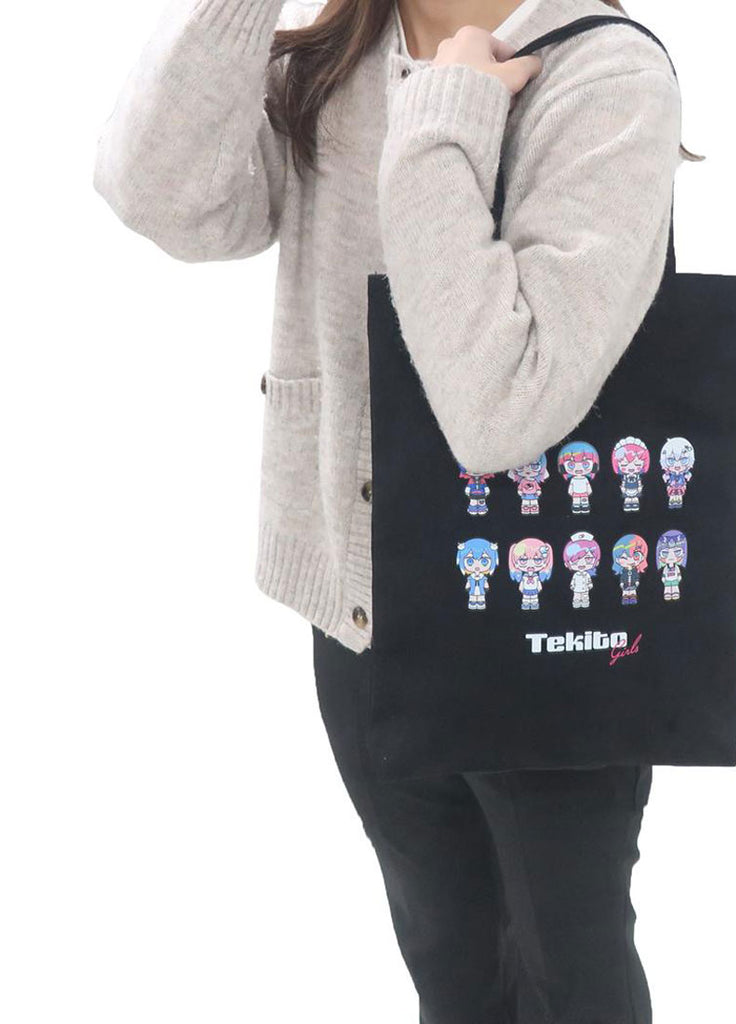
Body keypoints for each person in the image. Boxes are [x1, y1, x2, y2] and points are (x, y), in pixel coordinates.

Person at [94, 0, 687, 1020]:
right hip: (363, 611)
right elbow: (161, 197)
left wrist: (446, 117)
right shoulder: (338, 59)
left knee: (574, 977)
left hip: (551, 630)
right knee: (448, 968)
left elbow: (498, 404)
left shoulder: (605, 76)